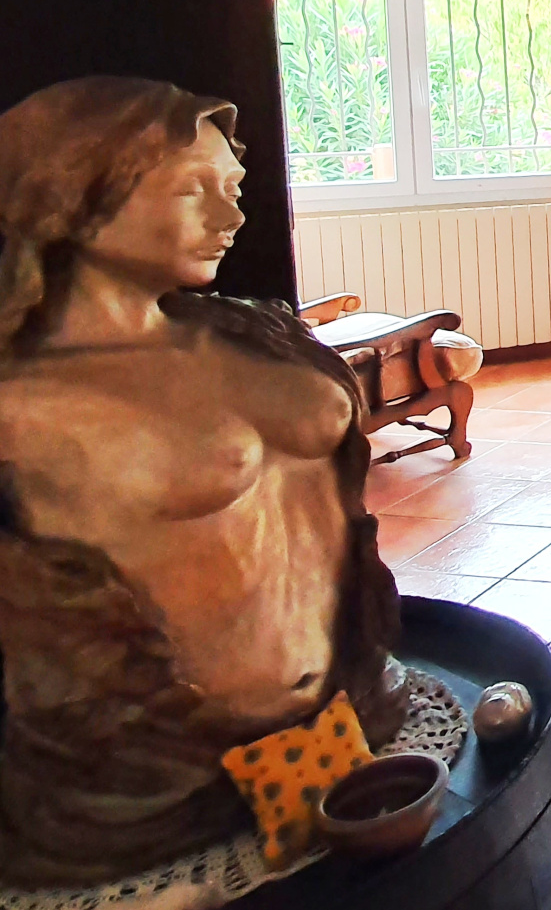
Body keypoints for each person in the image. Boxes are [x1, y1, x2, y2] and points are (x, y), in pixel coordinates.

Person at [0, 77, 403, 886]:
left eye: (233, 187)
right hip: (156, 784)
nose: (231, 217)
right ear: (75, 196)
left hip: (350, 708)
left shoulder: (248, 330)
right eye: (193, 189)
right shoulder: (25, 403)